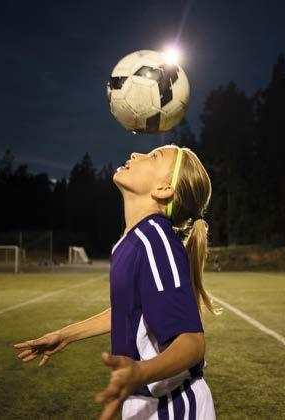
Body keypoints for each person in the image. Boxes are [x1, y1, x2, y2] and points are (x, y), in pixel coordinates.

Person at [14, 145, 216, 420]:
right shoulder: (134, 240)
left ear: (163, 190)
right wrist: (65, 335)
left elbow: (192, 342)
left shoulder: (155, 240)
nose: (136, 154)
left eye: (153, 157)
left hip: (173, 406)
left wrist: (141, 372)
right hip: (145, 402)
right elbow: (132, 312)